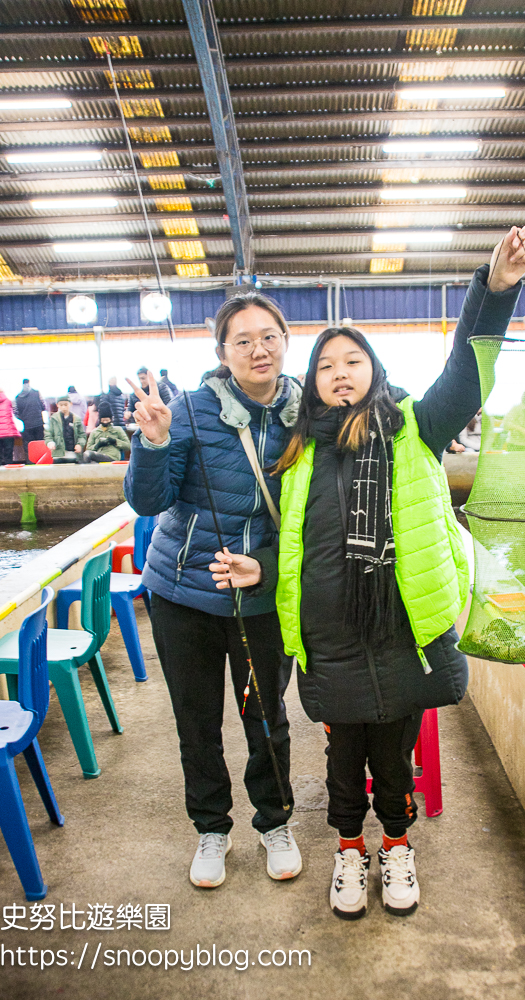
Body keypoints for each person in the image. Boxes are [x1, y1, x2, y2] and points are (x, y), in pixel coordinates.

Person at [211, 225, 525, 920]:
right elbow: (292, 549)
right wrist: (256, 570)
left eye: (352, 360)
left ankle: (396, 845)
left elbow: (468, 372)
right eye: (327, 365)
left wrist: (495, 290)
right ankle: (349, 853)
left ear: (372, 373)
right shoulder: (298, 452)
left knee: (392, 756)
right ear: (315, 381)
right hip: (328, 640)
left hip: (400, 632)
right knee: (340, 759)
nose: (339, 373)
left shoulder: (415, 426)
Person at [123, 292, 303, 890]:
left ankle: (274, 822)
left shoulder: (310, 415)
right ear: (222, 351)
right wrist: (151, 443)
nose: (258, 348)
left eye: (268, 336)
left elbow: (315, 516)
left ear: (285, 340)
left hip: (261, 600)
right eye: (243, 339)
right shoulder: (190, 410)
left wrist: (268, 570)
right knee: (195, 720)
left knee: (265, 716)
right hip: (183, 595)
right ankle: (211, 829)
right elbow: (149, 502)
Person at [45, 395, 86, 463]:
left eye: (66, 404)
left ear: (70, 404)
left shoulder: (76, 419)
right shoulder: (53, 419)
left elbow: (82, 435)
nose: (63, 407)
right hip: (58, 454)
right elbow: (48, 435)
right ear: (57, 405)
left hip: (73, 454)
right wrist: (50, 443)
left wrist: (80, 444)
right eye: (61, 405)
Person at [14, 379, 45, 461]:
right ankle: (41, 462)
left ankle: (30, 463)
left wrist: (23, 418)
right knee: (40, 445)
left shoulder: (18, 397)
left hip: (26, 425)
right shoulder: (37, 393)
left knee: (28, 446)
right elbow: (43, 406)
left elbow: (16, 412)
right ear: (29, 383)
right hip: (38, 423)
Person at [0, 387, 19, 465]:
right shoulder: (8, 401)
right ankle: (9, 473)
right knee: (8, 454)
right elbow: (16, 412)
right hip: (8, 431)